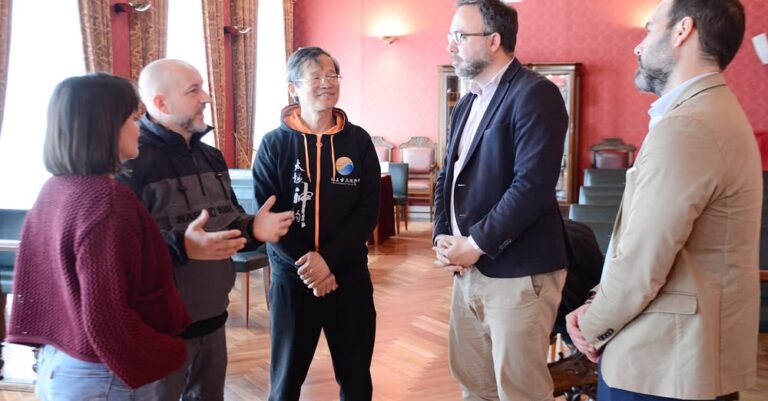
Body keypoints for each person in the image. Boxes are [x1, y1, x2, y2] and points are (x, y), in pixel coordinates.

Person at [565, 1, 760, 400]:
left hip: (662, 365)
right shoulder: (713, 112)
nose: (639, 46)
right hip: (686, 358)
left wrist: (592, 324)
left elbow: (642, 260)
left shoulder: (688, 125)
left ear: (682, 31)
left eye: (649, 29)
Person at [6, 73, 191, 401]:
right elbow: (108, 320)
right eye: (133, 118)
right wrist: (168, 351)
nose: (139, 127)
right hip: (101, 374)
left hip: (60, 362)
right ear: (105, 127)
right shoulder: (105, 202)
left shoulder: (55, 189)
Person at [118, 59, 293, 401]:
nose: (208, 97)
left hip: (213, 321)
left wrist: (254, 228)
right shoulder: (131, 161)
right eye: (194, 90)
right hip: (158, 331)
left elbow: (228, 224)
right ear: (160, 103)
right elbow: (122, 250)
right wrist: (182, 246)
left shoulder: (211, 157)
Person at [432, 1, 570, 400]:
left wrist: (474, 244)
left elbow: (533, 186)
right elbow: (448, 176)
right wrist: (443, 237)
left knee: (519, 391)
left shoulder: (535, 93)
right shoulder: (467, 102)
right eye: (450, 37)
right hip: (465, 269)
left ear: (494, 40)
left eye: (460, 36)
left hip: (518, 272)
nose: (450, 45)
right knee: (474, 384)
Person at [251, 46, 380, 401]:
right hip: (293, 280)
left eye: (333, 76)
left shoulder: (358, 141)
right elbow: (268, 216)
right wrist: (310, 266)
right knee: (285, 382)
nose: (327, 83)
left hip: (348, 277)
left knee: (356, 380)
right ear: (293, 88)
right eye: (316, 77)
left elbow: (368, 211)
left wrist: (329, 262)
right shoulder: (274, 144)